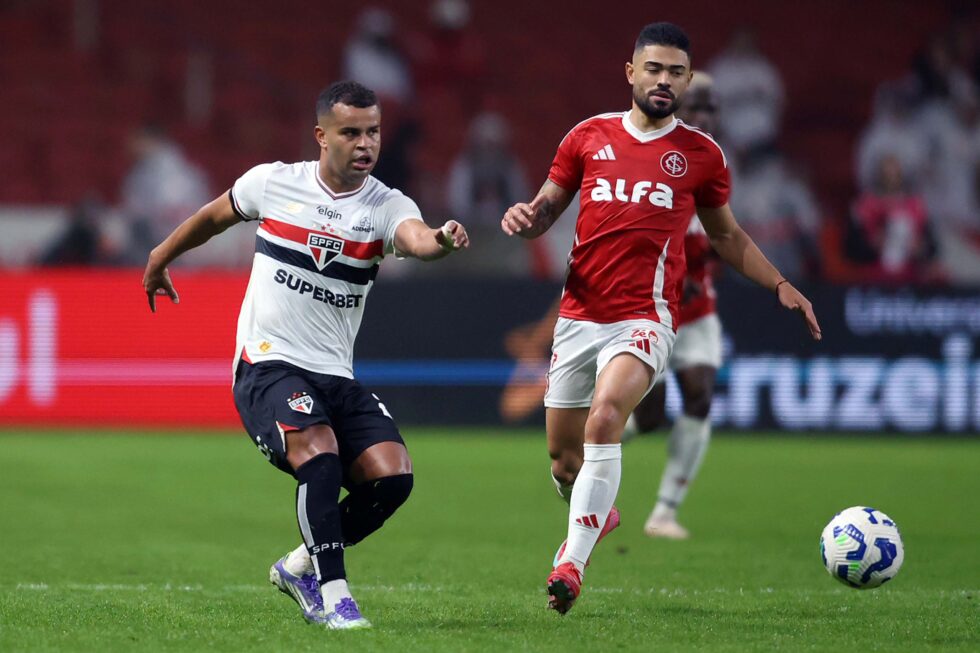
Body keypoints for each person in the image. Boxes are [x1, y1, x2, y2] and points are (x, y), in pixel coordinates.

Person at [500, 22, 820, 615]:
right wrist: (527, 215)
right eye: (654, 69)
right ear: (631, 73)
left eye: (676, 71)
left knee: (606, 417)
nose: (664, 80)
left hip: (644, 317)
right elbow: (548, 207)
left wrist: (780, 283)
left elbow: (726, 236)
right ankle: (598, 512)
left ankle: (570, 564)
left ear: (688, 79)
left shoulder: (702, 156)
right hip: (578, 316)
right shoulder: (587, 137)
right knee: (564, 464)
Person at [141, 81, 469, 629]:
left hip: (335, 373)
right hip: (267, 363)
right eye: (351, 133)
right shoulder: (274, 183)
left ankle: (298, 566)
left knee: (393, 478)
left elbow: (415, 238)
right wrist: (160, 256)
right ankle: (336, 596)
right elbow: (214, 216)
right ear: (321, 136)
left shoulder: (387, 204)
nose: (365, 143)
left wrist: (441, 240)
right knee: (319, 455)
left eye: (373, 132)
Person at [625, 72, 724, 541]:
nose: (704, 117)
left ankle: (664, 512)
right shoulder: (656, 157)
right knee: (648, 417)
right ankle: (588, 444)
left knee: (701, 396)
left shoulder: (716, 159)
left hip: (698, 307)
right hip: (652, 306)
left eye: (711, 109)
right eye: (696, 107)